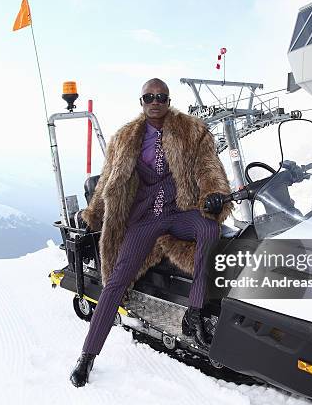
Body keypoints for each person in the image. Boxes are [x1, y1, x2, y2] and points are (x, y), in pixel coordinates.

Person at [70, 78, 232, 387]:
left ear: (169, 101)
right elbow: (107, 183)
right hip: (144, 220)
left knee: (210, 228)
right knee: (115, 282)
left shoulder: (192, 131)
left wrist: (214, 195)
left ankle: (195, 312)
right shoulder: (124, 139)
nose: (155, 101)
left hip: (180, 212)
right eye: (149, 97)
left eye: (161, 96)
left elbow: (210, 169)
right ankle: (87, 356)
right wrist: (92, 215)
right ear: (141, 102)